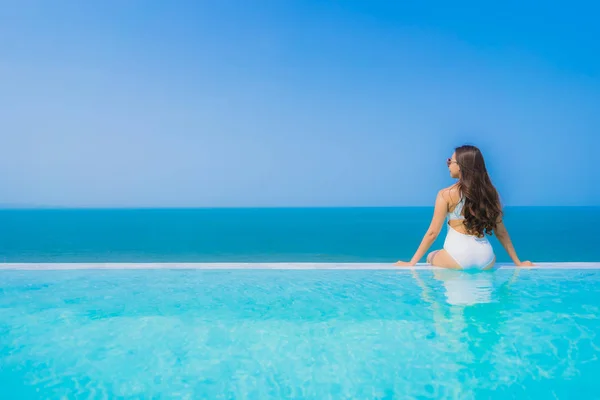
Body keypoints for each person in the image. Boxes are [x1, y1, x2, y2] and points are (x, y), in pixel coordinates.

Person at [395, 145, 533, 270]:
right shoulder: (490, 193)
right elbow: (501, 232)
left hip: (457, 256)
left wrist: (411, 263)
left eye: (450, 161)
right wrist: (518, 263)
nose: (447, 164)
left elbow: (433, 233)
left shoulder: (446, 194)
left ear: (460, 165)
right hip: (486, 257)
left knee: (431, 256)